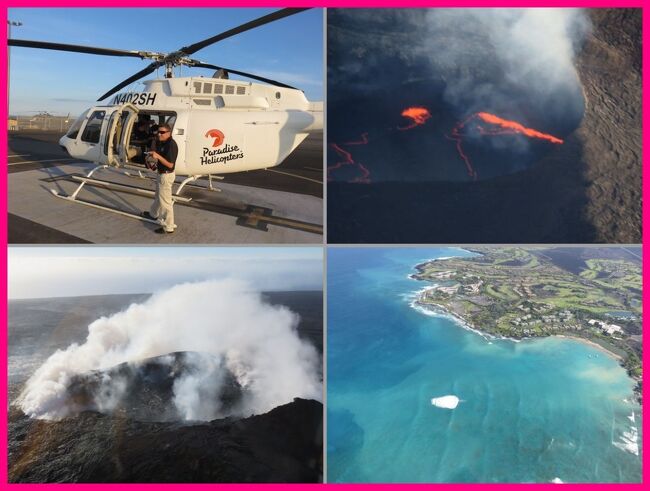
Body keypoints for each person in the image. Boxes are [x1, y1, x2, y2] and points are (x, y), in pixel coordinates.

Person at [141, 123, 178, 234]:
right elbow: (162, 158)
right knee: (158, 196)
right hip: (162, 174)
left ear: (169, 133)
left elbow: (170, 164)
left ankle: (169, 226)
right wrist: (153, 154)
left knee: (165, 202)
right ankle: (153, 214)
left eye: (162, 132)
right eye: (158, 132)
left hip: (166, 175)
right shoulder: (164, 142)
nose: (159, 134)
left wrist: (158, 156)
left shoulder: (171, 144)